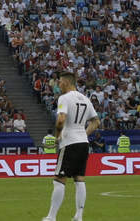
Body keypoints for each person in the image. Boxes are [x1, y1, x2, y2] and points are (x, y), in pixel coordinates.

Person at [41, 72, 99, 221]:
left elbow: (61, 119)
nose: (58, 85)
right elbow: (96, 121)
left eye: (60, 82)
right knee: (79, 178)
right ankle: (79, 215)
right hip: (83, 143)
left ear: (66, 82)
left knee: (59, 179)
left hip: (69, 143)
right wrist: (84, 133)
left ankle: (51, 217)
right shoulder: (85, 99)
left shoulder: (64, 98)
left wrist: (58, 135)